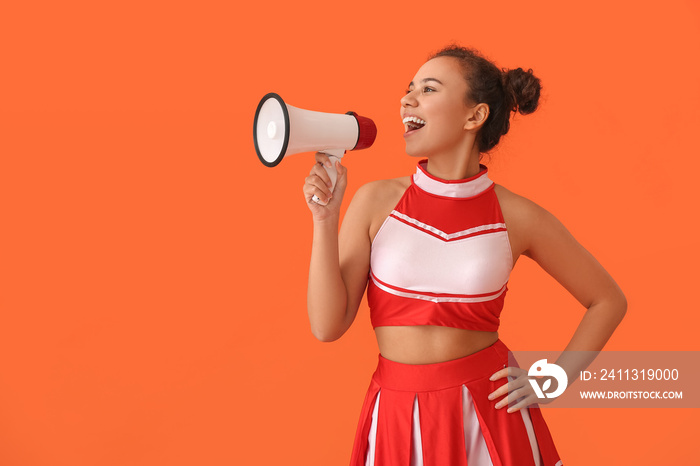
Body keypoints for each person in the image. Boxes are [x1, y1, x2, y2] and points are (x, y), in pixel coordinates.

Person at [302, 45, 627, 466]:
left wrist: (555, 379)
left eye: (429, 89)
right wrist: (325, 219)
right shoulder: (374, 201)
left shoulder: (517, 215)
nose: (407, 99)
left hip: (489, 418)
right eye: (408, 89)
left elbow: (607, 300)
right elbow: (327, 326)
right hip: (397, 418)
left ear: (475, 116)